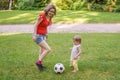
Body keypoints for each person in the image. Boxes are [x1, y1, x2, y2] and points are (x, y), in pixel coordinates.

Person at [33, 4, 56, 70]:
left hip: (43, 35)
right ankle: (38, 62)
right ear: (47, 10)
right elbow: (35, 25)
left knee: (42, 50)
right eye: (50, 11)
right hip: (38, 35)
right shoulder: (42, 15)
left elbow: (45, 26)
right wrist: (34, 35)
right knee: (48, 49)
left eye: (53, 12)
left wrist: (46, 33)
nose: (51, 13)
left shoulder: (50, 17)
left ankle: (40, 65)